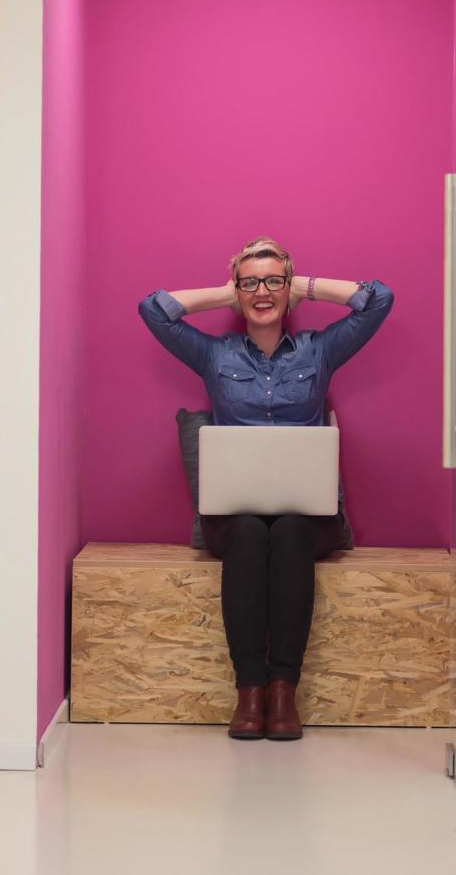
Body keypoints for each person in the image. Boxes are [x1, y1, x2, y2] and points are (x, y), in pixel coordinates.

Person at [139, 237, 392, 740]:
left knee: (291, 530)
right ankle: (250, 693)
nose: (262, 291)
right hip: (235, 518)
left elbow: (378, 299)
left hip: (308, 518)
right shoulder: (214, 354)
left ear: (287, 286)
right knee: (253, 534)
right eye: (250, 281)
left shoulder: (321, 350)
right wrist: (224, 291)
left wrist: (304, 286)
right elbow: (154, 310)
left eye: (273, 281)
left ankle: (283, 694)